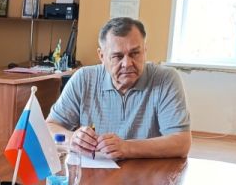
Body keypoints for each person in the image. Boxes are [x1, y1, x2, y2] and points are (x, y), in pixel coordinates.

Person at [46, 17, 191, 159]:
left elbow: (181, 143)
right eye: (117, 56)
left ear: (145, 51)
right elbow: (50, 127)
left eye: (135, 53)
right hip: (97, 172)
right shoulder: (84, 79)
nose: (127, 64)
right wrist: (72, 139)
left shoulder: (165, 79)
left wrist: (127, 147)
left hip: (148, 171)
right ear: (102, 56)